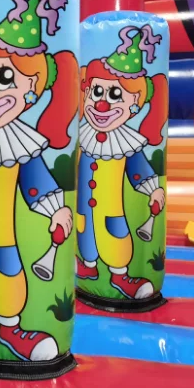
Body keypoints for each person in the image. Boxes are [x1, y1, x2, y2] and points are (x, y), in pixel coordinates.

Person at [0, 0, 77, 363]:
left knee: (4, 273)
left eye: (5, 78)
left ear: (31, 92)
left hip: (0, 236)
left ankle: (10, 328)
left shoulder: (19, 145)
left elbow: (35, 184)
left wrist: (55, 210)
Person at [75, 24, 168, 300]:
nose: (101, 104)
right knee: (85, 232)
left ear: (135, 104)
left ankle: (120, 274)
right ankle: (88, 265)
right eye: (96, 92)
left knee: (114, 236)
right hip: (84, 208)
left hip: (110, 208)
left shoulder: (125, 143)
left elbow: (138, 171)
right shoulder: (83, 135)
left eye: (115, 95)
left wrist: (153, 189)